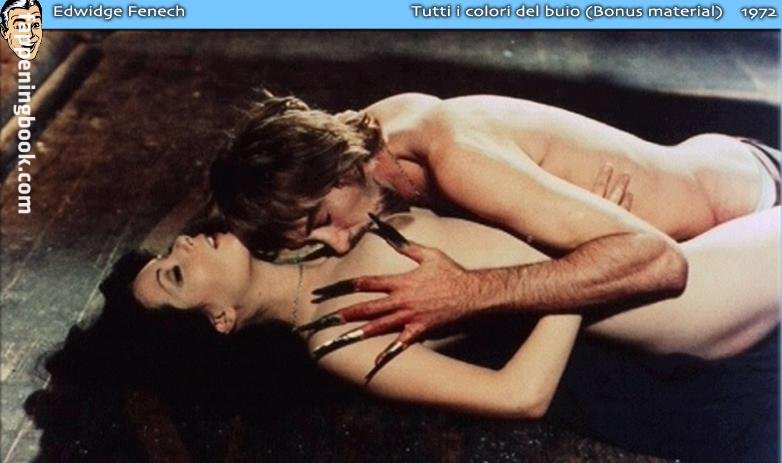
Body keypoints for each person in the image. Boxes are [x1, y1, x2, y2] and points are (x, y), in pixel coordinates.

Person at [209, 91, 780, 356]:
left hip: (750, 205)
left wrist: (470, 293)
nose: (336, 243)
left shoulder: (454, 153)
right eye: (311, 241)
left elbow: (660, 262)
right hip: (710, 183)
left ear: (337, 168)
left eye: (324, 220)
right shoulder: (373, 134)